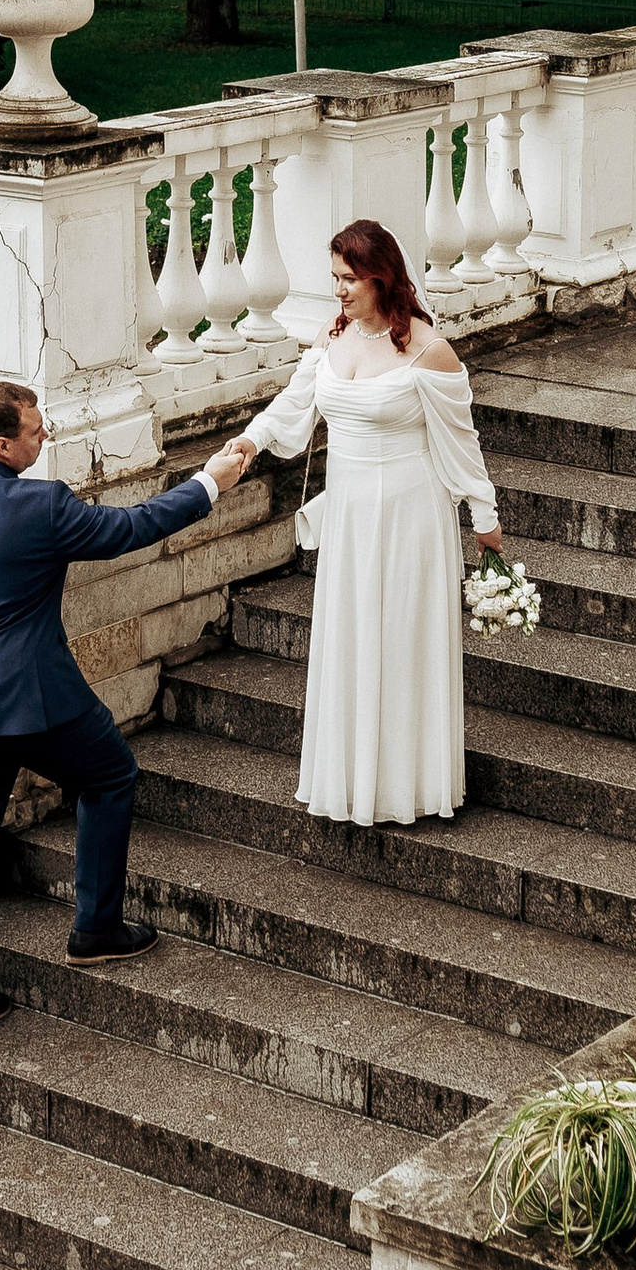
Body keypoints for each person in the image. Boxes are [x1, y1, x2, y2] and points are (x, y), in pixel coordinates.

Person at [0, 380, 255, 1040]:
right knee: (110, 776)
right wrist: (210, 482)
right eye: (35, 431)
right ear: (3, 446)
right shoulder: (41, 506)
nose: (44, 437)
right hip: (39, 703)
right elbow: (133, 527)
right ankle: (95, 929)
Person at [238, 220, 504, 826]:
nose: (338, 290)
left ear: (381, 279)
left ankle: (408, 783)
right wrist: (250, 440)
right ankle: (351, 777)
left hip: (412, 515)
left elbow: (462, 443)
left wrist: (485, 520)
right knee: (352, 638)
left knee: (402, 641)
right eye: (334, 277)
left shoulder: (430, 352)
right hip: (351, 516)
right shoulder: (332, 336)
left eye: (348, 279)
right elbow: (294, 403)